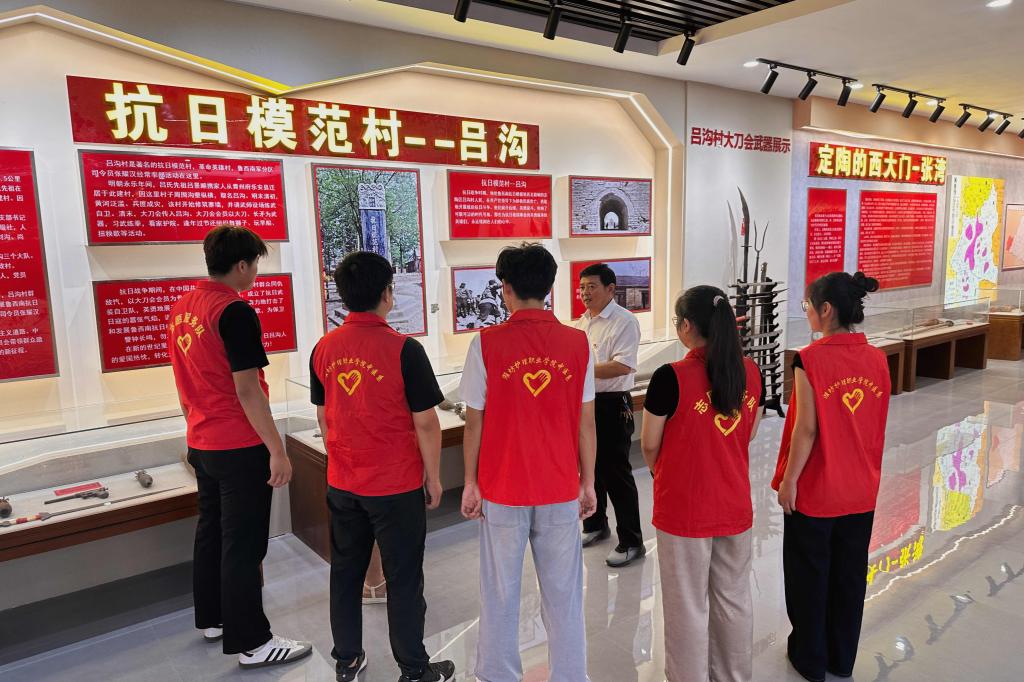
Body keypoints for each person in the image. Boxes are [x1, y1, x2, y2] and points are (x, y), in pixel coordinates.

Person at [168, 225, 311, 668]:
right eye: (256, 265)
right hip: (239, 443)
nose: (256, 274)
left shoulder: (183, 307)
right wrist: (277, 449)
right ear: (242, 264)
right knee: (243, 543)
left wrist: (194, 429)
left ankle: (213, 618)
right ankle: (252, 642)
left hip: (203, 440)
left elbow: (184, 379)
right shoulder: (234, 311)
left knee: (212, 532)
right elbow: (248, 389)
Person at [310, 251, 455, 682]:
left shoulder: (323, 348)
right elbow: (426, 422)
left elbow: (323, 416)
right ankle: (414, 668)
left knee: (345, 573)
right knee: (404, 577)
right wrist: (433, 476)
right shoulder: (405, 349)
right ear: (387, 294)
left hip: (343, 482)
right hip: (395, 486)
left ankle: (347, 660)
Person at [460, 243, 598, 682]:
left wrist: (470, 482)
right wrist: (588, 482)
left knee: (500, 593)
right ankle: (571, 675)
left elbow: (474, 422)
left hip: (503, 488)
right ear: (549, 287)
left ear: (505, 288)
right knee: (564, 594)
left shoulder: (485, 344)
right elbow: (586, 422)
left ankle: (497, 674)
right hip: (560, 486)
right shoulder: (577, 343)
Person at [772, 271, 891, 682]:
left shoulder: (811, 359)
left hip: (819, 489)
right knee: (849, 576)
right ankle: (841, 659)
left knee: (809, 575)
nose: (806, 312)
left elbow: (806, 429)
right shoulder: (877, 359)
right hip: (861, 488)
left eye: (807, 305)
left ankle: (809, 659)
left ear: (826, 310)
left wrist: (789, 480)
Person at [641, 286, 763, 682]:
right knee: (733, 599)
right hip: (735, 503)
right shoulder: (751, 371)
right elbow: (749, 432)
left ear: (687, 326)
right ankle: (734, 675)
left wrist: (666, 472)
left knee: (687, 606)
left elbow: (649, 444)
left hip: (684, 508)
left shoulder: (670, 377)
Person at [575, 263, 645, 567]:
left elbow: (622, 366)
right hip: (587, 402)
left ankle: (632, 541)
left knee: (617, 473)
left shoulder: (624, 321)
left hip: (613, 403)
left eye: (592, 286)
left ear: (610, 289)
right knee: (590, 467)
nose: (585, 293)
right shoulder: (582, 322)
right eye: (582, 287)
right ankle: (596, 525)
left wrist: (580, 370)